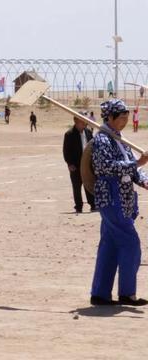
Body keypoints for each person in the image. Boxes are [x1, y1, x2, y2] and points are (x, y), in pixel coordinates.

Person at [90, 99, 148, 307]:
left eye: (126, 118)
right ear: (111, 118)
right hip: (111, 197)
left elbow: (133, 170)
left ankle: (100, 294)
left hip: (122, 197)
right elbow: (105, 167)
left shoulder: (119, 139)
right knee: (131, 244)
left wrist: (144, 180)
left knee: (110, 247)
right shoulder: (102, 140)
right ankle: (127, 293)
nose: (124, 121)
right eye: (121, 118)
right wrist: (137, 163)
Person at [63, 116, 95, 213]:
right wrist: (69, 163)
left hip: (87, 165)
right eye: (82, 120)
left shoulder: (89, 132)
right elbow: (66, 151)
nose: (85, 122)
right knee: (77, 186)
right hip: (75, 165)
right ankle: (78, 206)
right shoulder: (69, 134)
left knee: (89, 184)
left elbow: (93, 147)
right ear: (76, 121)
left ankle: (93, 204)